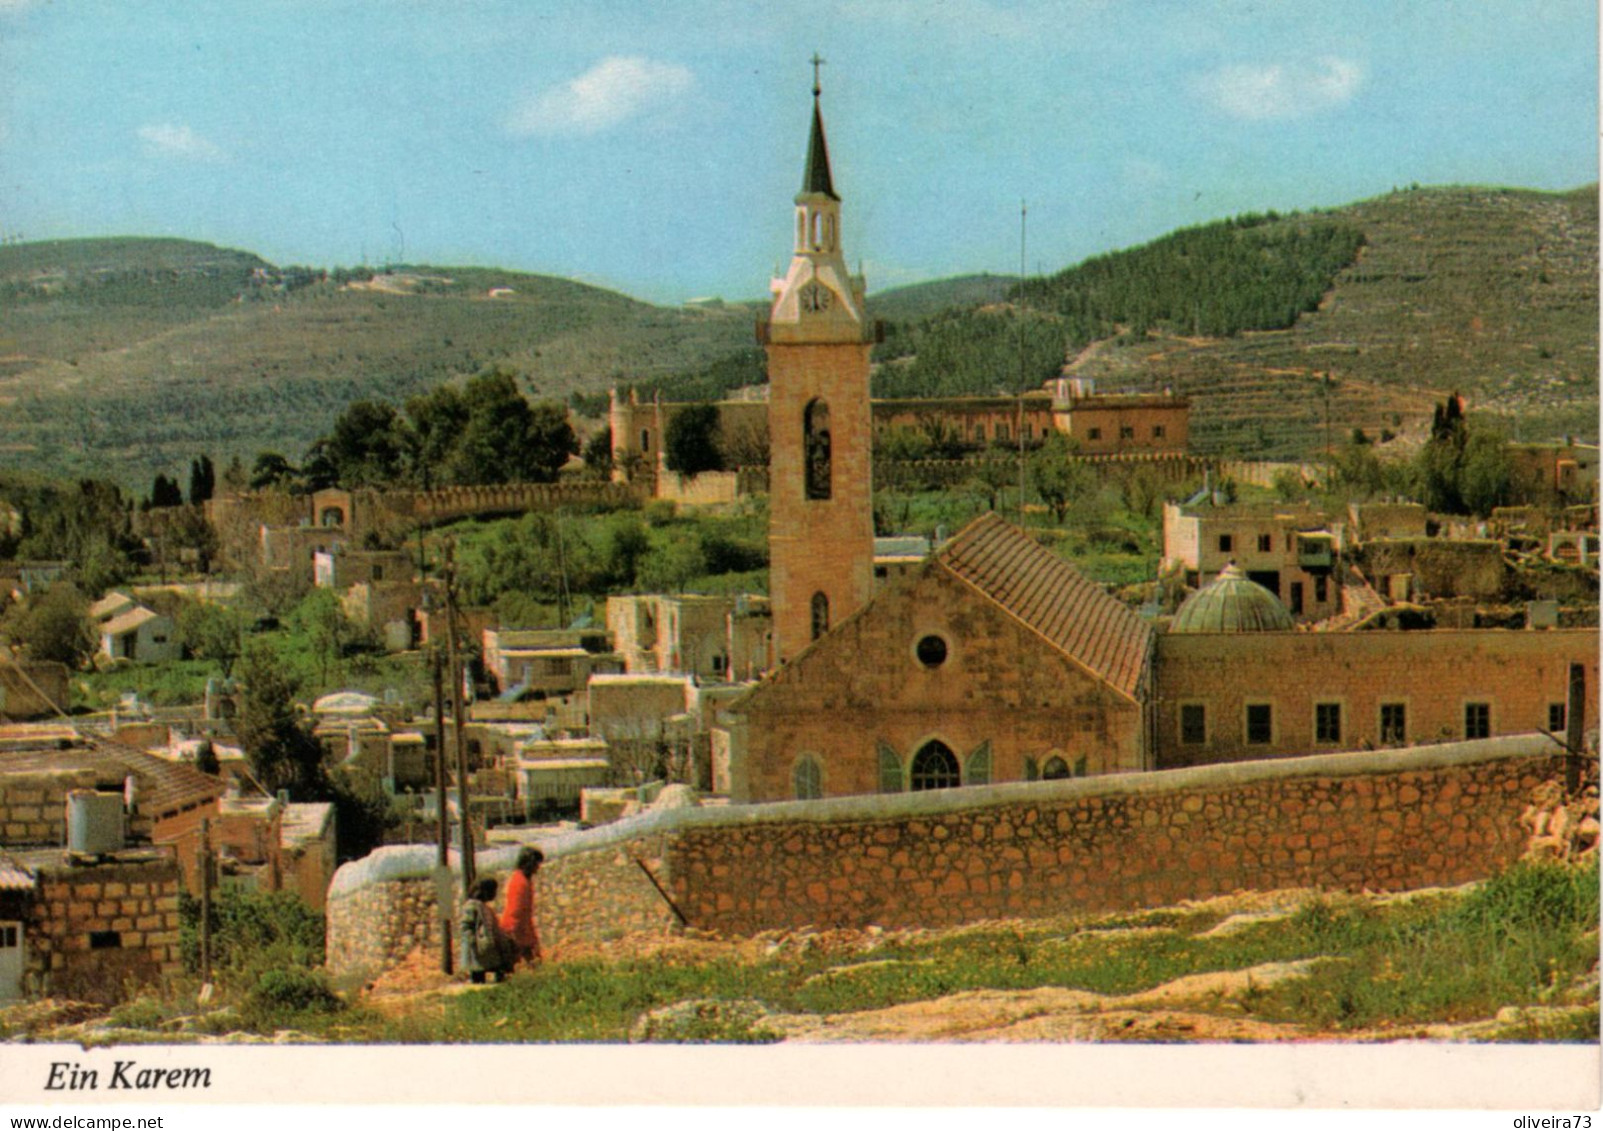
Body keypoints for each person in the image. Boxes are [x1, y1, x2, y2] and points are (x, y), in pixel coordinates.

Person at [460, 877, 513, 984]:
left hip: (485, 948)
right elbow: (466, 926)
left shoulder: (484, 907)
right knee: (478, 974)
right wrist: (473, 942)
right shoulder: (472, 906)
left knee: (496, 966)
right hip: (477, 950)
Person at [499, 846, 544, 968]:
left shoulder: (524, 880)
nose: (537, 868)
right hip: (516, 930)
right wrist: (515, 933)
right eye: (536, 864)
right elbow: (516, 910)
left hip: (523, 930)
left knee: (533, 964)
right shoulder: (519, 882)